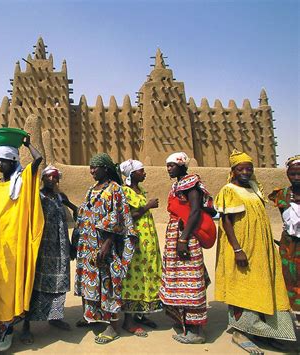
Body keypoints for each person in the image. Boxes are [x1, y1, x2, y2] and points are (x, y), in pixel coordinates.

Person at [215, 149, 296, 354]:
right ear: (233, 171)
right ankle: (241, 331)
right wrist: (238, 249)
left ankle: (267, 332)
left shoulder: (253, 187)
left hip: (261, 247)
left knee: (265, 285)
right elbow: (226, 221)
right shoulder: (229, 190)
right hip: (242, 246)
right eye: (240, 168)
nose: (245, 172)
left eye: (248, 168)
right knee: (243, 285)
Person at [0, 136, 44, 352]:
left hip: (14, 247)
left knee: (8, 290)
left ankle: (8, 330)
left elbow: (39, 159)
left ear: (13, 162)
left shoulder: (22, 184)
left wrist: (27, 143)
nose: (0, 165)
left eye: (4, 161)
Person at [74, 153, 136, 344]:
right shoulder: (92, 189)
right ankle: (91, 316)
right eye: (90, 167)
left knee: (108, 284)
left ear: (106, 168)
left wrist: (106, 246)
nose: (92, 171)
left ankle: (113, 326)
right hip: (87, 246)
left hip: (104, 247)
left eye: (95, 167)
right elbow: (85, 214)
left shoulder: (115, 189)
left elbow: (116, 219)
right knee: (90, 283)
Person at [159, 152, 214, 344]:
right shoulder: (178, 184)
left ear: (182, 166)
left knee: (190, 278)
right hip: (177, 234)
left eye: (172, 165)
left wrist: (183, 238)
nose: (169, 169)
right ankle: (185, 324)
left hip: (186, 236)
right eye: (167, 166)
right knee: (179, 277)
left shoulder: (191, 183)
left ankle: (196, 331)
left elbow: (195, 211)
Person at [21, 165, 78, 344]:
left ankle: (55, 317)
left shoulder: (61, 197)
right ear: (42, 178)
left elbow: (76, 209)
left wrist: (73, 238)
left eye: (55, 177)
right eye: (49, 177)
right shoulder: (37, 196)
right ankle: (26, 326)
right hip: (42, 247)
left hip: (60, 247)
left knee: (58, 282)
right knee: (35, 283)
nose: (52, 180)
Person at [119, 159, 163, 337]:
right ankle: (128, 321)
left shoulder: (140, 190)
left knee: (147, 275)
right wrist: (147, 206)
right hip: (135, 242)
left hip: (148, 241)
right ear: (131, 173)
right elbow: (128, 216)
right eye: (141, 171)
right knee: (133, 278)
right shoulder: (125, 192)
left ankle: (141, 314)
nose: (144, 173)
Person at [268, 155, 300, 328]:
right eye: (292, 174)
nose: (296, 177)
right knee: (288, 279)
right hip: (289, 245)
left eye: (299, 174)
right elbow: (285, 221)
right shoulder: (281, 195)